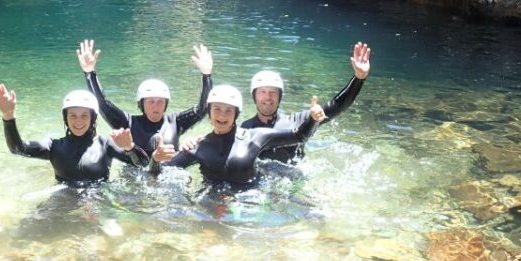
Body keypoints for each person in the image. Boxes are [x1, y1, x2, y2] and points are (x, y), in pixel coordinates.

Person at [149, 84, 326, 186]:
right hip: (210, 202)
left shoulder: (255, 137)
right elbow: (158, 174)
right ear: (209, 113)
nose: (222, 115)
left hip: (250, 201)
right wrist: (155, 159)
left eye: (229, 110)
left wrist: (313, 119)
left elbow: (299, 136)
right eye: (217, 109)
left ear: (236, 114)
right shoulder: (197, 147)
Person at [76, 39, 213, 157]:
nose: (155, 106)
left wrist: (206, 75)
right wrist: (89, 73)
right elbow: (102, 104)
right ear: (141, 104)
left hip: (170, 175)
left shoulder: (176, 122)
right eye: (150, 101)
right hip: (136, 175)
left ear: (166, 104)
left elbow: (203, 109)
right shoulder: (129, 123)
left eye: (160, 101)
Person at [240, 41, 371, 163]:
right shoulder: (244, 129)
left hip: (293, 177)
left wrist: (359, 78)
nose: (268, 97)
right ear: (254, 96)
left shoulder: (298, 121)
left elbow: (336, 106)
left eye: (273, 92)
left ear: (280, 96)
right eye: (262, 92)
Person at [0, 84, 148, 183]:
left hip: (96, 202)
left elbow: (143, 163)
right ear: (65, 118)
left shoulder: (106, 146)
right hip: (63, 200)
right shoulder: (53, 147)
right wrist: (8, 116)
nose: (78, 121)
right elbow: (17, 149)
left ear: (93, 118)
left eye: (84, 116)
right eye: (73, 115)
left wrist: (130, 147)